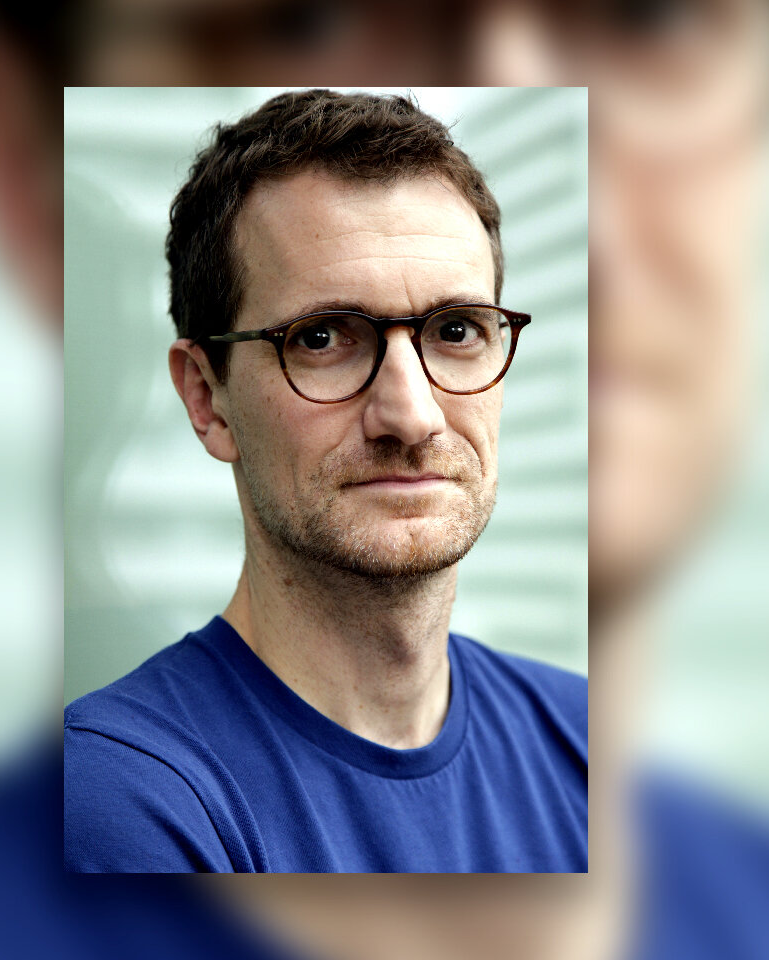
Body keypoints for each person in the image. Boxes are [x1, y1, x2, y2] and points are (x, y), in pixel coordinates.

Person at [63, 89, 588, 874]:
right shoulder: (121, 798)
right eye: (322, 338)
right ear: (208, 399)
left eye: (456, 330)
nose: (412, 416)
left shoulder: (586, 739)